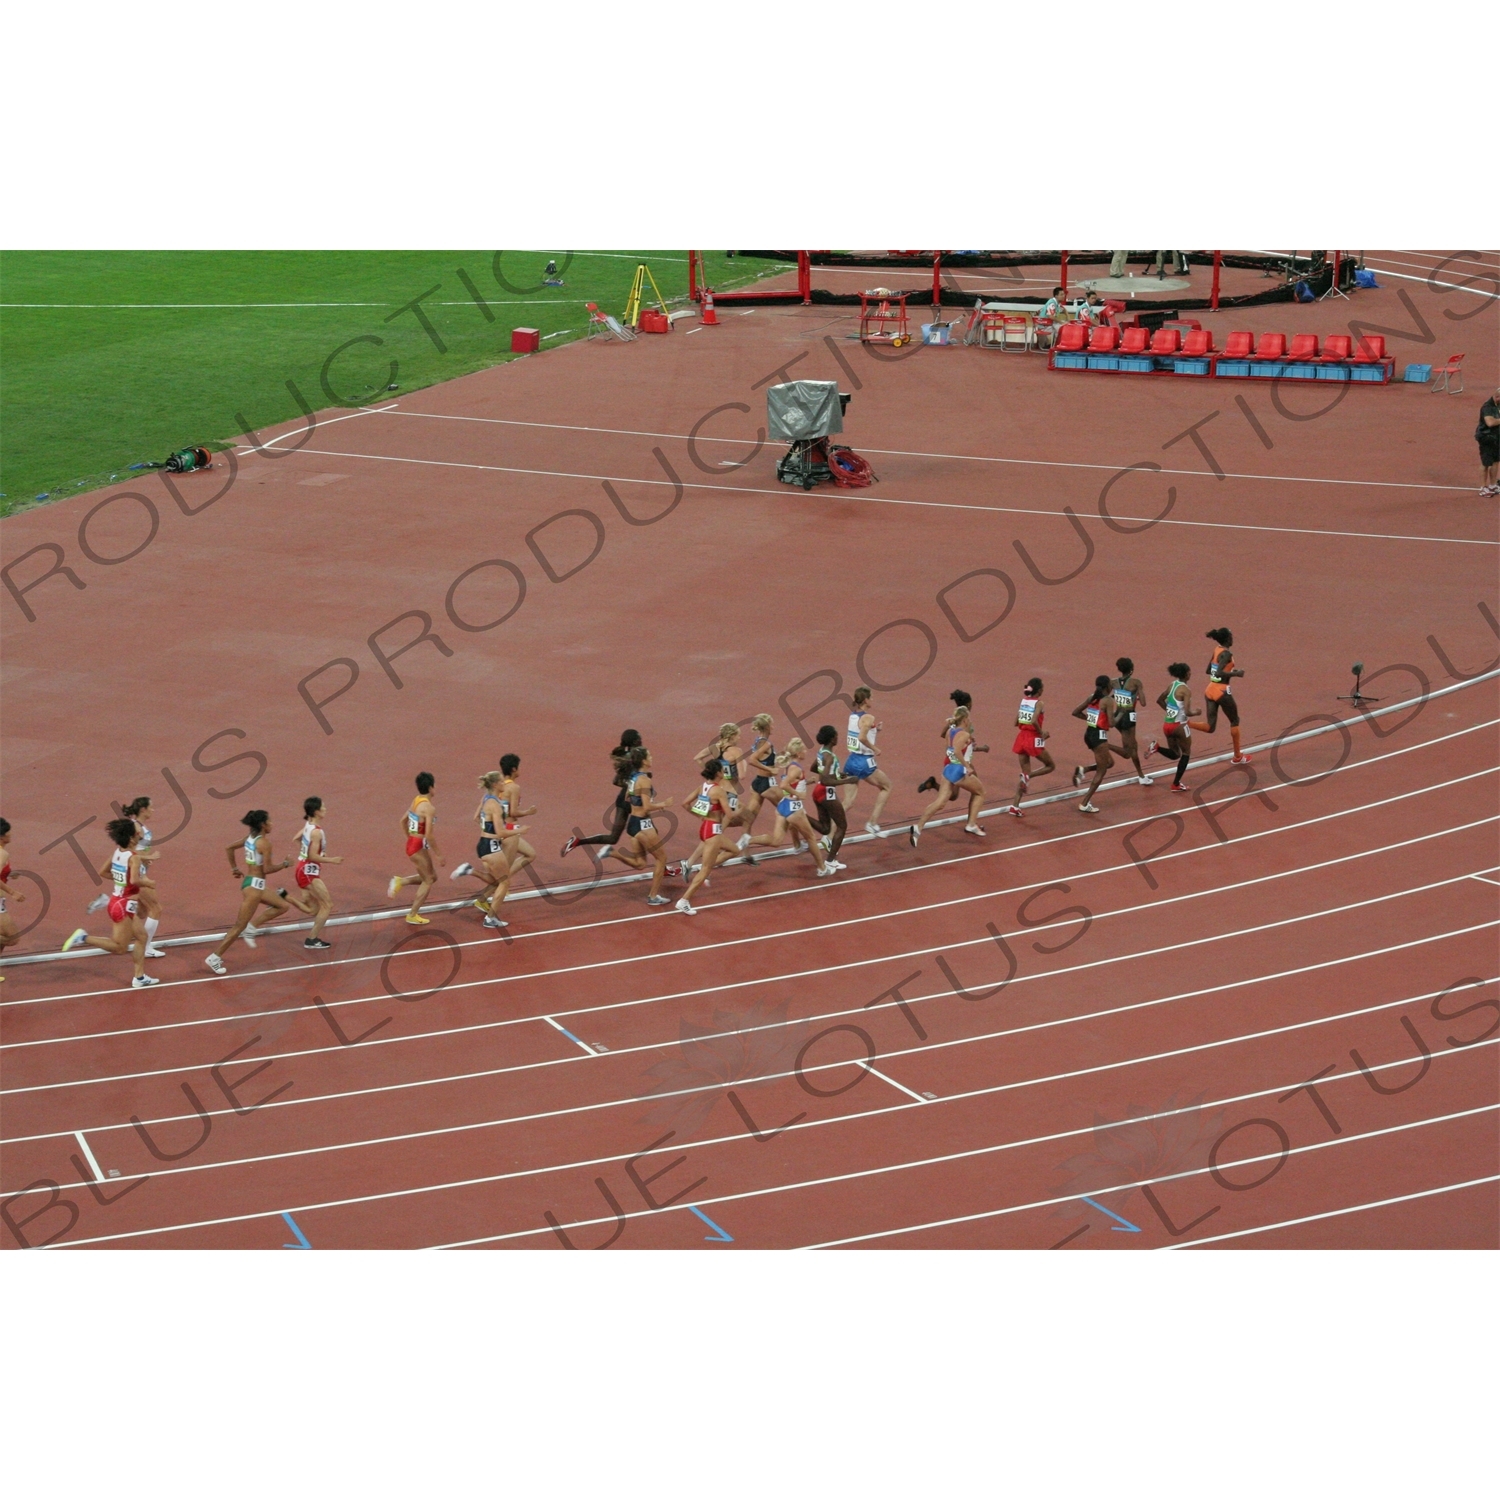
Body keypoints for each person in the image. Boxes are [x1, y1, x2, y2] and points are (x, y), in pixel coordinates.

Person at [204, 810, 311, 974]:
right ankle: (215, 957)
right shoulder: (264, 843)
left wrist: (234, 868)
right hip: (254, 888)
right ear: (263, 825)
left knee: (282, 906)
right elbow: (267, 868)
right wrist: (285, 864)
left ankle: (252, 927)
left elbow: (229, 848)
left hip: (254, 884)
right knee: (239, 926)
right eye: (270, 822)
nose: (272, 824)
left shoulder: (250, 839)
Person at [62, 817, 158, 987]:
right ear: (131, 837)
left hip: (119, 901)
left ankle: (139, 977)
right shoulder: (133, 858)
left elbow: (103, 872)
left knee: (142, 936)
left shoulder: (118, 853)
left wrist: (124, 880)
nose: (139, 834)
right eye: (136, 833)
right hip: (123, 906)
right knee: (120, 948)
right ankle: (83, 937)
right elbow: (135, 880)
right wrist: (148, 883)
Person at [746, 740, 836, 876]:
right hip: (794, 808)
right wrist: (798, 794)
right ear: (799, 753)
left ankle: (748, 840)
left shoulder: (789, 765)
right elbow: (783, 785)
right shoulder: (797, 768)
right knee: (811, 838)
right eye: (804, 750)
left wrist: (806, 783)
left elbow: (792, 783)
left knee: (776, 841)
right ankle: (822, 869)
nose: (806, 752)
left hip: (783, 806)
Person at [675, 760, 754, 914]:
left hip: (707, 828)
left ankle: (705, 866)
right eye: (722, 770)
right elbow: (729, 814)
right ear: (718, 773)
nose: (724, 772)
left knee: (734, 850)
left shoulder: (703, 787)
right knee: (705, 870)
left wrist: (700, 816)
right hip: (712, 831)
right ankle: (684, 901)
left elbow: (685, 803)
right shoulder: (718, 791)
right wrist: (739, 812)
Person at [604, 747, 675, 905]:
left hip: (633, 824)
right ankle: (653, 896)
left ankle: (612, 853)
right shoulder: (644, 780)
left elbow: (629, 798)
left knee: (641, 863)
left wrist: (643, 806)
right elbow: (648, 807)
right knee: (662, 858)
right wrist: (663, 804)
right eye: (649, 755)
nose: (652, 757)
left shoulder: (633, 778)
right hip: (643, 824)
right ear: (643, 761)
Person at [910, 701, 987, 845]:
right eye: (969, 718)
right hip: (959, 770)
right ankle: (971, 824)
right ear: (964, 719)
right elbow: (957, 751)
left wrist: (970, 746)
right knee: (980, 792)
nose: (970, 720)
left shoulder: (950, 732)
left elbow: (951, 750)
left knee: (940, 802)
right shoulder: (963, 734)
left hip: (948, 769)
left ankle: (918, 828)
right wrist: (967, 766)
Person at [562, 730, 640, 859]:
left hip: (622, 798)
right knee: (650, 832)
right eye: (638, 738)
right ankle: (661, 865)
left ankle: (578, 841)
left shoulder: (625, 757)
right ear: (634, 741)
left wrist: (628, 784)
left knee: (613, 838)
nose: (641, 739)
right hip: (633, 799)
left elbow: (616, 781)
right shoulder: (636, 757)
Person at [452, 772, 513, 928]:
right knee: (504, 882)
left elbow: (476, 818)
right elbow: (500, 831)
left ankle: (470, 870)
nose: (504, 784)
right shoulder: (495, 804)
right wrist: (518, 831)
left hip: (484, 843)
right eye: (501, 782)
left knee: (496, 881)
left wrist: (487, 831)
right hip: (491, 845)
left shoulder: (486, 799)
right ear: (494, 784)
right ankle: (490, 918)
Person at [389, 772, 441, 925]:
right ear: (431, 787)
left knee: (432, 876)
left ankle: (401, 881)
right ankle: (412, 914)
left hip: (413, 843)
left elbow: (402, 821)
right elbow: (429, 835)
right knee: (428, 880)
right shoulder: (429, 808)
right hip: (417, 846)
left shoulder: (416, 801)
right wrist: (439, 855)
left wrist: (410, 838)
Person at [1193, 628, 1250, 764]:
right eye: (1231, 636)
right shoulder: (1227, 654)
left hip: (1210, 690)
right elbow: (1218, 673)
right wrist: (1236, 673)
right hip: (1221, 691)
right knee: (1235, 720)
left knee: (1210, 727)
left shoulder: (1217, 650)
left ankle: (1185, 723)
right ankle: (1237, 756)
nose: (1232, 638)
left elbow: (1209, 670)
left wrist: (1229, 670)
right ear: (1227, 639)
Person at [842, 686, 893, 835]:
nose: (873, 700)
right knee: (887, 786)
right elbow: (862, 737)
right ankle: (872, 823)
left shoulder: (852, 716)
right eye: (871, 697)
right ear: (865, 700)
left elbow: (859, 732)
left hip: (851, 761)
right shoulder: (868, 717)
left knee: (848, 802)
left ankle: (829, 833)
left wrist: (875, 730)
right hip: (863, 762)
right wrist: (875, 748)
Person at [294, 796, 344, 948]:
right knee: (327, 905)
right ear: (316, 812)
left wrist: (311, 853)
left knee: (314, 909)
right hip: (309, 872)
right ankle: (312, 939)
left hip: (303, 868)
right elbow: (312, 856)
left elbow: (297, 838)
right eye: (323, 808)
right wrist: (332, 860)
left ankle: (285, 898)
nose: (325, 809)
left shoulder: (308, 825)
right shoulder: (316, 832)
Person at [1071, 676, 1125, 814]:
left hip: (1089, 733)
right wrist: (1121, 713)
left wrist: (1090, 720)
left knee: (1109, 763)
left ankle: (1084, 770)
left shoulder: (1092, 697)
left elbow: (1075, 712)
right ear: (1108, 687)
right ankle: (1084, 803)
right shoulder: (1107, 700)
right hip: (1098, 736)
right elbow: (1112, 723)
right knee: (1102, 771)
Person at [1005, 677, 1055, 818]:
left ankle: (1015, 806)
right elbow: (1033, 720)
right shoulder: (1039, 703)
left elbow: (1016, 722)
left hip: (1021, 738)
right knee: (1050, 765)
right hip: (1032, 738)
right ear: (1039, 690)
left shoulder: (1024, 701)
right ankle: (1028, 776)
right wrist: (1042, 733)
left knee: (1024, 772)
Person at [808, 725, 852, 865]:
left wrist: (837, 774)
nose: (838, 738)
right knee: (842, 826)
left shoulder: (821, 752)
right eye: (837, 736)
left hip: (817, 791)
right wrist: (848, 780)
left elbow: (814, 768)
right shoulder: (830, 757)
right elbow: (825, 780)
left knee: (826, 828)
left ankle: (801, 815)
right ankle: (830, 861)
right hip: (827, 793)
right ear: (833, 739)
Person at [1149, 663, 1195, 792]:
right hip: (1179, 725)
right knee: (1186, 753)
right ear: (1186, 674)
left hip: (1167, 725)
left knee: (1175, 754)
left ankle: (1157, 748)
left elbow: (1159, 700)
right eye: (1189, 671)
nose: (1191, 673)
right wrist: (1197, 712)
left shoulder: (1172, 685)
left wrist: (1169, 712)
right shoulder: (1186, 690)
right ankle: (1176, 784)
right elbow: (1188, 712)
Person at [1105, 657, 1151, 785]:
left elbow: (1106, 697)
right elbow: (1143, 703)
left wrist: (1117, 696)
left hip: (1117, 715)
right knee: (1128, 752)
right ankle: (1104, 745)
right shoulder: (1136, 683)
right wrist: (1136, 695)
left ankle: (1141, 776)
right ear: (1132, 669)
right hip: (1128, 716)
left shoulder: (1113, 682)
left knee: (1134, 746)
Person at [736, 713, 778, 844]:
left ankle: (743, 848)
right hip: (767, 784)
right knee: (790, 812)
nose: (773, 726)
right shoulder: (766, 744)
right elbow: (752, 760)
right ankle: (800, 843)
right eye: (771, 724)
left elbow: (761, 759)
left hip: (757, 782)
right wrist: (770, 769)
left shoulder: (758, 740)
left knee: (749, 818)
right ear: (766, 727)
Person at [0, 819, 23, 979]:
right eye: (8, 832)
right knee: (12, 937)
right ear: (2, 837)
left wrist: (9, 873)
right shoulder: (2, 853)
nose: (11, 834)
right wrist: (13, 892)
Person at [1478, 387, 1499, 496]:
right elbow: (1490, 422)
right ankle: (1483, 487)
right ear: (1497, 397)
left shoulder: (1497, 405)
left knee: (1496, 461)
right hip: (1486, 438)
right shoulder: (1487, 407)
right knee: (1485, 463)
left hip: (1496, 438)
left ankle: (1493, 485)